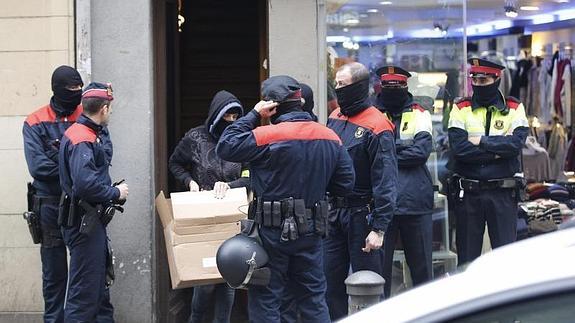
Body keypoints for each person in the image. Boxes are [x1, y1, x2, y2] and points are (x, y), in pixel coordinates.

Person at [216, 75, 355, 323]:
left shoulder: (265, 135)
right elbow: (346, 184)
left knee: (267, 298)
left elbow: (226, 146)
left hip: (271, 232)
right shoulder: (329, 136)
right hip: (312, 229)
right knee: (313, 299)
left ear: (272, 105)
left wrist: (253, 115)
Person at [324, 62, 398, 321]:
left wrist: (378, 228)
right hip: (334, 215)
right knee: (329, 284)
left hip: (362, 216)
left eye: (342, 84)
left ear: (358, 86)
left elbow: (386, 181)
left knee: (368, 285)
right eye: (337, 84)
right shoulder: (334, 118)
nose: (337, 89)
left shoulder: (378, 125)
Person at [168, 90, 248, 323]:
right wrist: (189, 182)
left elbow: (250, 174)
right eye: (227, 117)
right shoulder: (196, 138)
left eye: (236, 117)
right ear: (216, 115)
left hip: (231, 216)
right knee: (205, 283)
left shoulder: (241, 138)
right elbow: (175, 163)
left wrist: (231, 185)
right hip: (202, 216)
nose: (231, 122)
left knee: (229, 283)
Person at [58, 82, 129, 322]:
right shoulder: (83, 138)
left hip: (90, 223)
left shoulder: (87, 134)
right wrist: (115, 192)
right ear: (105, 109)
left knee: (99, 296)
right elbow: (85, 184)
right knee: (84, 298)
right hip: (84, 224)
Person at [448, 58, 529, 266]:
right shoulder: (461, 108)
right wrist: (497, 151)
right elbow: (459, 149)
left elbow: (515, 145)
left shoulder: (514, 107)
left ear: (497, 79)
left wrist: (481, 141)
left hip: (503, 194)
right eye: (474, 80)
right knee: (467, 261)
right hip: (469, 194)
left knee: (505, 260)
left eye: (483, 81)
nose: (477, 85)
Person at [22, 65, 84, 323]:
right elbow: (38, 168)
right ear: (57, 89)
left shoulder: (86, 115)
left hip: (82, 204)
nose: (77, 93)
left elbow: (98, 160)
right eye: (71, 88)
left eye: (80, 88)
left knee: (87, 273)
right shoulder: (35, 121)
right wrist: (74, 163)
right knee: (54, 275)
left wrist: (57, 157)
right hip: (49, 206)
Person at [374, 66, 434, 298]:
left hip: (415, 202)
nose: (392, 91)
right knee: (380, 273)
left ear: (405, 87)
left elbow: (420, 153)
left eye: (397, 86)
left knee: (422, 271)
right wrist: (401, 149)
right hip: (382, 204)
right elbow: (368, 154)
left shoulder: (420, 113)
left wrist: (386, 152)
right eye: (388, 86)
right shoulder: (372, 114)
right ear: (381, 87)